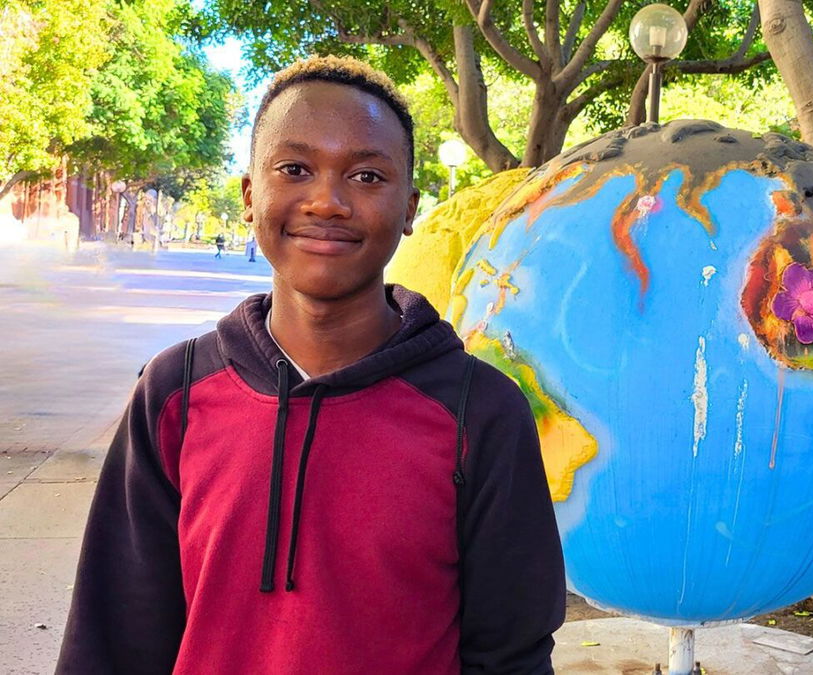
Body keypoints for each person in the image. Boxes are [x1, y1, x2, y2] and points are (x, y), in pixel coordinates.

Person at [58, 56, 565, 674]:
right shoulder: (175, 392)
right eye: (295, 169)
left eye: (367, 176)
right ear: (251, 195)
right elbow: (113, 633)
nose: (327, 201)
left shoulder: (479, 410)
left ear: (410, 208)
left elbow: (511, 652)